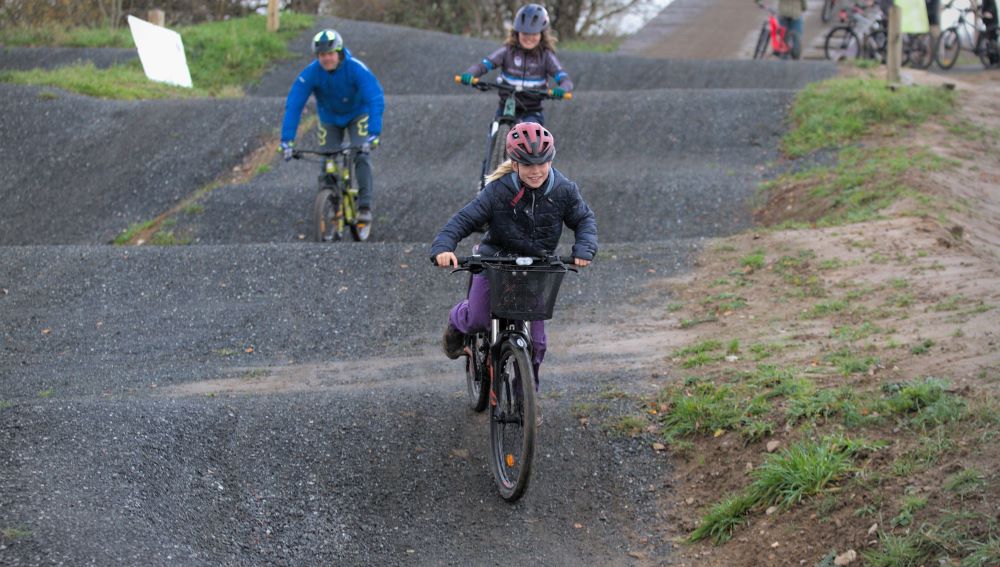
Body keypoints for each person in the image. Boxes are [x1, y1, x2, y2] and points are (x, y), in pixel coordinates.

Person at [431, 123, 597, 423]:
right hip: (494, 262)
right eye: (527, 164)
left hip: (536, 268)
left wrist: (584, 248)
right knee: (479, 318)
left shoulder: (564, 190)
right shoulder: (498, 191)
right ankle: (457, 320)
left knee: (538, 343)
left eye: (542, 163)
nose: (536, 171)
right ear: (515, 163)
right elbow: (463, 220)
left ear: (552, 160)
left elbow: (584, 220)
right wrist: (444, 247)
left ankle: (526, 399)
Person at [280, 29, 384, 224]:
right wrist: (287, 141)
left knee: (361, 154)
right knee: (326, 158)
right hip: (329, 118)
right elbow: (294, 104)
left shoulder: (355, 68)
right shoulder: (311, 73)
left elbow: (375, 97)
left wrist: (374, 133)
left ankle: (364, 205)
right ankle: (330, 202)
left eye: (330, 54)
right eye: (321, 55)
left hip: (357, 114)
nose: (326, 59)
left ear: (339, 52)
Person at [458, 3, 573, 125]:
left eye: (533, 34)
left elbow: (565, 79)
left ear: (542, 34)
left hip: (531, 111)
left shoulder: (546, 56)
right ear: (517, 33)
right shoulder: (507, 51)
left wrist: (562, 89)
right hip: (505, 107)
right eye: (525, 33)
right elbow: (484, 65)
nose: (529, 38)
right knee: (494, 130)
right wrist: (470, 74)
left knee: (531, 136)